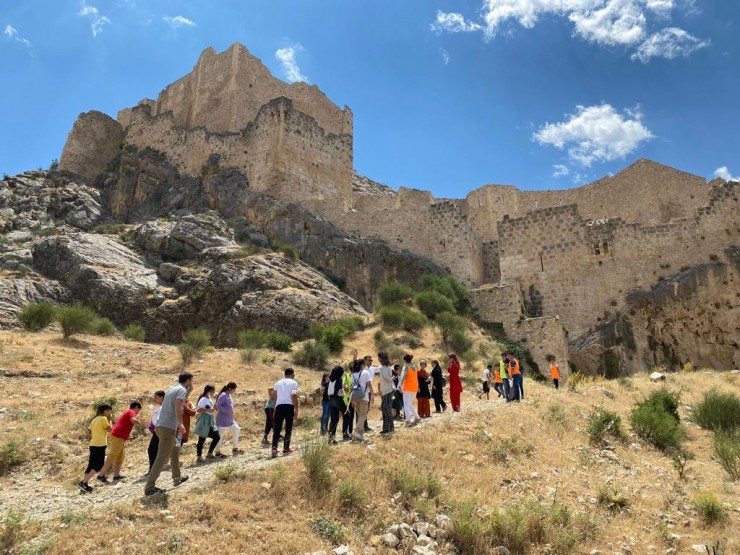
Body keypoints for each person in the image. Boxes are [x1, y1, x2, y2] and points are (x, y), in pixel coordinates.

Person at [145, 373, 193, 496]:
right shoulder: (181, 389)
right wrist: (181, 424)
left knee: (176, 448)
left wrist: (188, 393)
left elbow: (177, 404)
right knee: (162, 457)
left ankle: (177, 478)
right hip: (168, 428)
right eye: (191, 381)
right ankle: (149, 487)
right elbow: (178, 406)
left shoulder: (172, 388)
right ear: (188, 380)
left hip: (161, 426)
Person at [97, 400, 143, 483]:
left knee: (120, 457)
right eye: (138, 410)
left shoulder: (127, 412)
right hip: (117, 436)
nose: (138, 412)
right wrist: (141, 424)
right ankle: (101, 475)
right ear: (136, 407)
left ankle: (116, 476)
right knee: (112, 455)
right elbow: (133, 420)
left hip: (119, 437)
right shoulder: (131, 411)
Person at [78, 403, 112, 493]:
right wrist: (110, 420)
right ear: (105, 411)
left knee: (91, 465)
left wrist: (94, 437)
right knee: (99, 465)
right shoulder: (104, 418)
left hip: (93, 443)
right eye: (109, 411)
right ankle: (83, 482)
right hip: (100, 444)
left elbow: (89, 431)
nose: (109, 413)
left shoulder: (94, 420)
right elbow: (110, 429)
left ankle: (85, 486)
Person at [272, 367, 299, 457]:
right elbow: (294, 395)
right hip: (289, 406)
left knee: (277, 429)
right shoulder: (294, 383)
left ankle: (274, 447)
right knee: (288, 428)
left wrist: (275, 408)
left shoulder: (277, 383)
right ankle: (286, 448)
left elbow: (274, 397)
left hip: (279, 406)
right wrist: (296, 409)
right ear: (292, 374)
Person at [194, 385, 223, 462]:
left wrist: (214, 408)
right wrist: (208, 410)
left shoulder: (208, 399)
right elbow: (199, 410)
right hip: (205, 420)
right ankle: (199, 457)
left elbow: (210, 409)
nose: (214, 393)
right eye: (213, 391)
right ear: (209, 391)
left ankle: (209, 454)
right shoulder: (203, 399)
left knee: (216, 436)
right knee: (202, 438)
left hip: (210, 420)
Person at [216, 382, 244, 455]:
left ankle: (235, 449)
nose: (234, 391)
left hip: (230, 419)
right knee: (220, 435)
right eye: (234, 389)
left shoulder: (229, 395)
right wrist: (226, 411)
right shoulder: (223, 395)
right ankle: (217, 451)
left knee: (237, 429)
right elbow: (218, 406)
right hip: (223, 419)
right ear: (230, 388)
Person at [350, 358, 373, 442]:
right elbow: (369, 384)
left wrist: (352, 399)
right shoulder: (365, 372)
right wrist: (373, 394)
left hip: (355, 397)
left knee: (360, 415)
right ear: (362, 365)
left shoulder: (353, 374)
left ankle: (360, 434)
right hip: (364, 397)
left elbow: (351, 388)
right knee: (363, 415)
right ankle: (356, 431)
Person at [399, 354, 421, 426]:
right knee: (409, 404)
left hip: (407, 387)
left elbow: (403, 376)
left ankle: (408, 420)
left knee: (406, 405)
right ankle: (417, 418)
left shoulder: (406, 367)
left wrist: (399, 385)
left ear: (405, 360)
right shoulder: (414, 367)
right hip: (414, 387)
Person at [146, 391, 165, 475]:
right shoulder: (160, 407)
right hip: (156, 430)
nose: (154, 399)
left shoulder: (164, 407)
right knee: (154, 450)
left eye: (156, 397)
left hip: (159, 430)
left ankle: (153, 470)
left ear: (161, 397)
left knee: (152, 450)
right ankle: (153, 469)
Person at [376, 352, 395, 434]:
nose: (378, 359)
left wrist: (392, 378)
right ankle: (388, 427)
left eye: (379, 358)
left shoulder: (384, 368)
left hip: (387, 391)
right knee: (385, 409)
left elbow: (386, 378)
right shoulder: (387, 367)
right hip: (386, 391)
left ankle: (388, 428)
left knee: (386, 409)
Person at [327, 365, 345, 444]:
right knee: (347, 415)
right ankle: (346, 432)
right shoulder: (339, 380)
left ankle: (331, 437)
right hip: (338, 399)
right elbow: (340, 391)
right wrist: (344, 394)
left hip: (331, 400)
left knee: (333, 420)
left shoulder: (331, 380)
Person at [341, 364, 355, 439]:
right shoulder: (347, 376)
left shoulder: (356, 376)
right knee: (347, 416)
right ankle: (345, 432)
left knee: (351, 416)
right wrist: (345, 386)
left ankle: (350, 432)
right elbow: (343, 384)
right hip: (347, 399)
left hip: (352, 398)